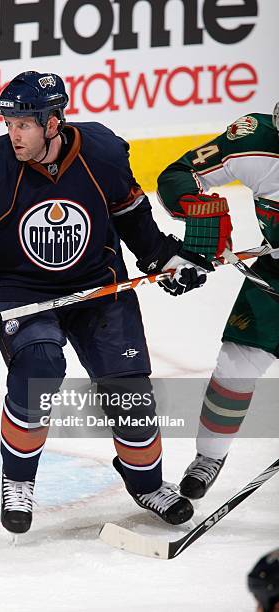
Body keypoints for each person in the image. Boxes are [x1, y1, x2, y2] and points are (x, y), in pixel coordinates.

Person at [0, 71, 207, 534]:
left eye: (24, 124)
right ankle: (18, 481)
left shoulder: (102, 152)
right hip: (18, 290)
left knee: (130, 393)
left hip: (97, 285)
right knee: (39, 370)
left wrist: (162, 256)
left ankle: (146, 483)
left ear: (53, 122)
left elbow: (128, 211)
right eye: (9, 123)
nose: (14, 134)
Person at [157, 105, 279, 499]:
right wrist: (199, 210)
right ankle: (210, 456)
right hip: (273, 278)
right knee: (233, 367)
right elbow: (175, 175)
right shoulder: (256, 142)